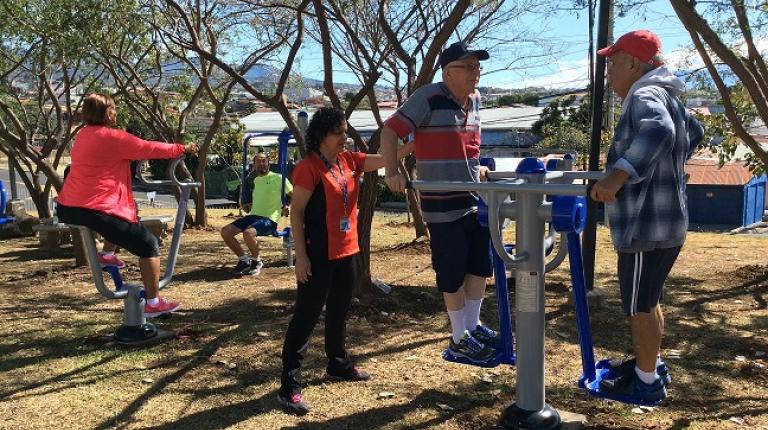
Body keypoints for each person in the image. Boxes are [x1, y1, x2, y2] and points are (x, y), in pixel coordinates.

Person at [591, 30, 704, 403]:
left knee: (639, 305)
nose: (609, 71)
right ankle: (649, 365)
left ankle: (645, 383)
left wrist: (618, 175)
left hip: (644, 224)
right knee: (649, 299)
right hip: (667, 222)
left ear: (634, 64)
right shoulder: (667, 94)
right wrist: (667, 166)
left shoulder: (644, 94)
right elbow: (694, 131)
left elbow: (659, 130)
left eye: (613, 62)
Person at [278, 107, 413, 414]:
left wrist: (419, 139)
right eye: (339, 132)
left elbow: (389, 159)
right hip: (319, 255)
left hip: (347, 252)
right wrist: (301, 258)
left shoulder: (349, 160)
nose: (345, 137)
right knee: (306, 318)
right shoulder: (308, 167)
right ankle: (289, 386)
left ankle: (338, 365)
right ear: (323, 134)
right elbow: (296, 213)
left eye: (346, 131)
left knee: (339, 312)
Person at [380, 42, 501, 364]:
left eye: (478, 67)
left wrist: (480, 168)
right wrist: (392, 171)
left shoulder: (475, 100)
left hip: (474, 196)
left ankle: (473, 327)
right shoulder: (429, 97)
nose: (477, 73)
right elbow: (390, 131)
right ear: (449, 72)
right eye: (469, 67)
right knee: (451, 269)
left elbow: (470, 146)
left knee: (479, 264)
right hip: (442, 200)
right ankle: (459, 335)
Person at [56, 93, 198, 317]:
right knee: (148, 244)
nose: (116, 113)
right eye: (113, 109)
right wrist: (182, 149)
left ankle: (108, 255)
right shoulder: (114, 138)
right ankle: (153, 302)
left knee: (129, 217)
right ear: (108, 113)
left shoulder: (83, 135)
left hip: (70, 206)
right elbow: (149, 148)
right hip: (94, 208)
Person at [220, 152, 292, 276]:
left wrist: (288, 207)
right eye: (258, 161)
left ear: (268, 163)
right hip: (253, 216)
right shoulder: (256, 180)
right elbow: (263, 199)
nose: (261, 164)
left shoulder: (279, 178)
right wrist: (248, 205)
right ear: (254, 165)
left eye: (263, 161)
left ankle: (257, 260)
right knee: (226, 231)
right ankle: (244, 261)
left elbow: (295, 194)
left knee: (248, 233)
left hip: (269, 219)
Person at [62, 164, 125, 268]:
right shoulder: (83, 171)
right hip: (82, 212)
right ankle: (107, 253)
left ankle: (106, 251)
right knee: (118, 217)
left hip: (74, 211)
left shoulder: (75, 170)